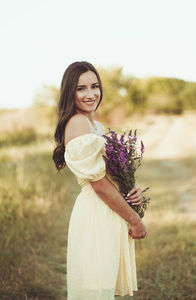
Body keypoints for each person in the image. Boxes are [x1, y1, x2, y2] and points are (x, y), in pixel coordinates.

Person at [53, 61, 147, 300]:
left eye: (94, 86)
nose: (90, 94)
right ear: (69, 93)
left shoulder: (96, 125)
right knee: (94, 291)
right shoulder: (77, 122)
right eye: (81, 88)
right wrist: (133, 217)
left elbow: (109, 174)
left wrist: (130, 188)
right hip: (96, 211)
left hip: (109, 211)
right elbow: (99, 183)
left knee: (103, 289)